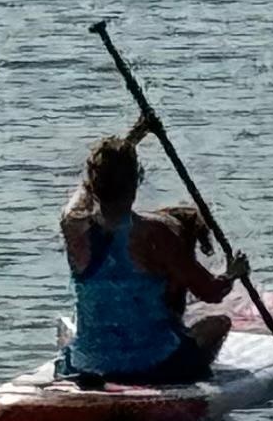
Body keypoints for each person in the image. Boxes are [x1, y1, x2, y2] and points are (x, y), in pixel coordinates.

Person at [60, 117, 238, 386]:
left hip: (87, 364)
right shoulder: (156, 232)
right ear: (137, 180)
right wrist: (233, 273)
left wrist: (133, 138)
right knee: (219, 323)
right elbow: (211, 292)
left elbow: (86, 191)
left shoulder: (72, 226)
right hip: (152, 365)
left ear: (93, 182)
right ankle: (191, 377)